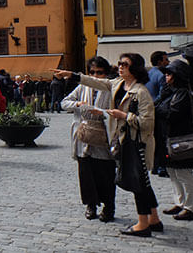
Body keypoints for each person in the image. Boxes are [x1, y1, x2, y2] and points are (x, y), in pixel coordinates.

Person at [63, 53, 162, 237]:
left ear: (135, 69)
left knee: (138, 183)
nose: (121, 67)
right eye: (120, 63)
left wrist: (123, 116)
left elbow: (148, 123)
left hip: (136, 143)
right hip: (123, 140)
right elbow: (94, 82)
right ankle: (154, 219)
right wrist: (72, 75)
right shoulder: (118, 84)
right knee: (143, 183)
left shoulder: (141, 92)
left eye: (125, 64)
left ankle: (142, 224)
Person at [60, 56, 116, 222]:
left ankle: (108, 206)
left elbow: (118, 112)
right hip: (83, 136)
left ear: (106, 73)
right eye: (92, 72)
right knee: (86, 174)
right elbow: (64, 103)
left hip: (103, 136)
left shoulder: (111, 87)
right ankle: (91, 205)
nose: (95, 76)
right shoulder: (82, 86)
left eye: (99, 73)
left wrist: (103, 113)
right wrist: (77, 105)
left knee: (105, 173)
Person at [155, 59, 193, 221]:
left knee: (184, 174)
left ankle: (192, 208)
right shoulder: (171, 92)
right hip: (170, 138)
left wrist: (159, 108)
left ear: (177, 76)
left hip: (181, 139)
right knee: (173, 172)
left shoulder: (181, 93)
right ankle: (180, 202)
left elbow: (172, 114)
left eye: (169, 74)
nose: (166, 77)